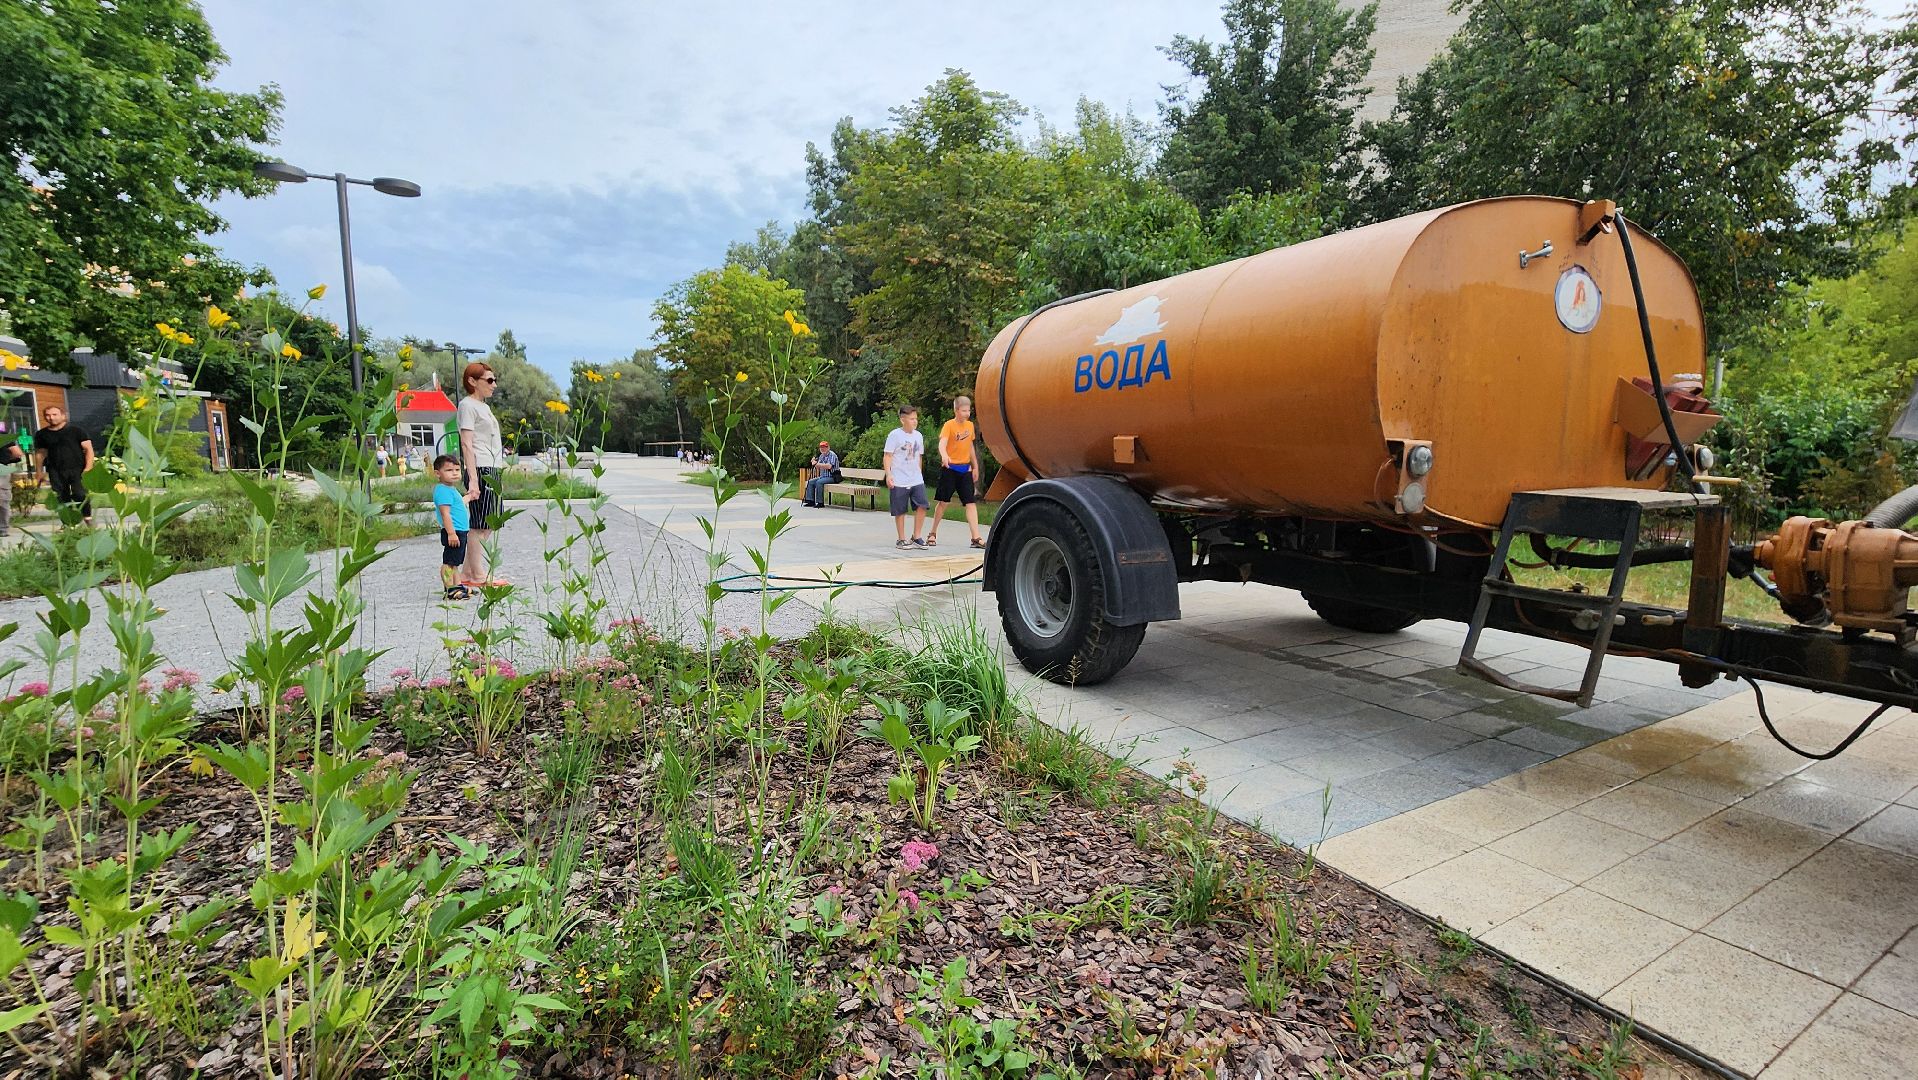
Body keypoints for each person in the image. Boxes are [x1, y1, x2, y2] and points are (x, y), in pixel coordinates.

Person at [456, 362, 509, 588]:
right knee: (480, 523)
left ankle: (468, 571)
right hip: (480, 467)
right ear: (472, 381)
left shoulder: (483, 407)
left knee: (490, 522)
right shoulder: (467, 405)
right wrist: (474, 479)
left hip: (492, 466)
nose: (493, 385)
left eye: (494, 380)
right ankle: (478, 575)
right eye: (489, 380)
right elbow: (467, 444)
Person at [925, 395, 986, 549]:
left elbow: (970, 447)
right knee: (943, 502)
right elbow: (942, 444)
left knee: (970, 503)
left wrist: (975, 466)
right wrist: (944, 455)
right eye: (964, 410)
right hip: (950, 469)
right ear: (956, 410)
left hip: (965, 469)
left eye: (968, 410)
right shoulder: (949, 426)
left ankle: (976, 537)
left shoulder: (970, 426)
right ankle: (932, 533)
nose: (967, 413)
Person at [33, 406, 93, 527]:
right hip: (55, 469)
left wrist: (88, 467)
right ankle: (68, 523)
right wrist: (39, 471)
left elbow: (88, 449)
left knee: (80, 494)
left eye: (54, 414)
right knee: (61, 497)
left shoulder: (76, 430)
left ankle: (88, 518)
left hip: (78, 468)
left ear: (63, 416)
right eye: (48, 415)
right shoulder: (42, 434)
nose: (51, 417)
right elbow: (41, 454)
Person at [883, 404, 929, 549]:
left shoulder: (918, 436)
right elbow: (887, 456)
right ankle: (901, 539)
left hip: (915, 478)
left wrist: (920, 473)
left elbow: (919, 457)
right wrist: (889, 474)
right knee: (900, 509)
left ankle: (917, 536)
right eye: (911, 419)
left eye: (916, 418)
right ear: (903, 420)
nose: (915, 421)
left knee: (922, 505)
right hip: (899, 478)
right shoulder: (895, 435)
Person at [431, 454, 472, 601]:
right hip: (453, 532)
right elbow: (445, 513)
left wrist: (469, 497)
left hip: (460, 531)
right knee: (449, 562)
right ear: (437, 473)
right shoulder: (443, 490)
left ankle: (457, 585)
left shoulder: (450, 489)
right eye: (449, 470)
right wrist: (451, 533)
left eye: (457, 469)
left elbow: (458, 504)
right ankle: (450, 589)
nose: (454, 473)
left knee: (455, 562)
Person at [803, 440, 841, 507]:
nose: (822, 449)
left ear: (828, 447)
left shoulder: (832, 455)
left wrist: (817, 464)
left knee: (819, 482)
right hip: (823, 477)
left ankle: (820, 502)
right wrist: (814, 463)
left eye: (824, 447)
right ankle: (810, 501)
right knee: (810, 482)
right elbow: (818, 467)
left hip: (832, 477)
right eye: (821, 447)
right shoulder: (821, 456)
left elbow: (829, 466)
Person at [0, 431, 23, 537]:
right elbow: (17, 453)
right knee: (2, 498)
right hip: (1, 468)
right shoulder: (3, 435)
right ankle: (2, 529)